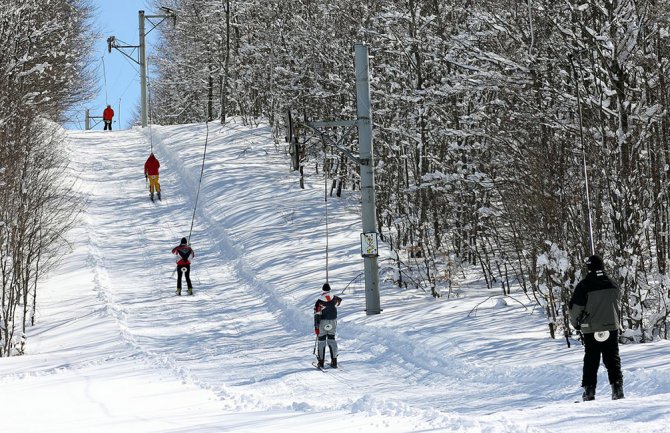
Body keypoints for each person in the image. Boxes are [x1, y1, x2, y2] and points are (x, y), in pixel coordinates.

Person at [569, 254, 624, 401]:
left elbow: (576, 308)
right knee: (613, 358)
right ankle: (617, 389)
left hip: (591, 328)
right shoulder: (613, 283)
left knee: (591, 360)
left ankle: (589, 391)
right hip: (611, 327)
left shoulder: (584, 285)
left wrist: (576, 323)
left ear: (589, 267)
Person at [313, 283, 342, 368]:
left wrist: (316, 327)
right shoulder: (334, 298)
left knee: (321, 341)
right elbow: (339, 301)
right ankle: (334, 361)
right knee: (331, 340)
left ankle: (321, 362)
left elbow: (317, 314)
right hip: (333, 321)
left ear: (322, 290)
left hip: (323, 322)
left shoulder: (319, 301)